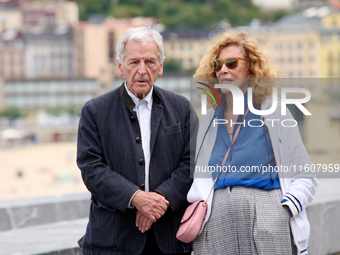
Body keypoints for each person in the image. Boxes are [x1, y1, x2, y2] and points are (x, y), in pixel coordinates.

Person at [187, 32, 318, 255]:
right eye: (217, 65)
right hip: (217, 223)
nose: (223, 70)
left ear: (252, 69)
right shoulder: (209, 119)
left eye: (232, 63)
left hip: (267, 219)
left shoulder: (273, 111)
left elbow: (305, 175)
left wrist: (283, 211)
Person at [77, 26, 198, 255]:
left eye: (150, 62)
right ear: (120, 67)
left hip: (169, 241)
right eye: (134, 62)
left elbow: (192, 162)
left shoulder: (181, 108)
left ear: (160, 67)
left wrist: (159, 201)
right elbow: (91, 168)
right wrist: (136, 198)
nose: (142, 70)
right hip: (113, 241)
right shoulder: (94, 111)